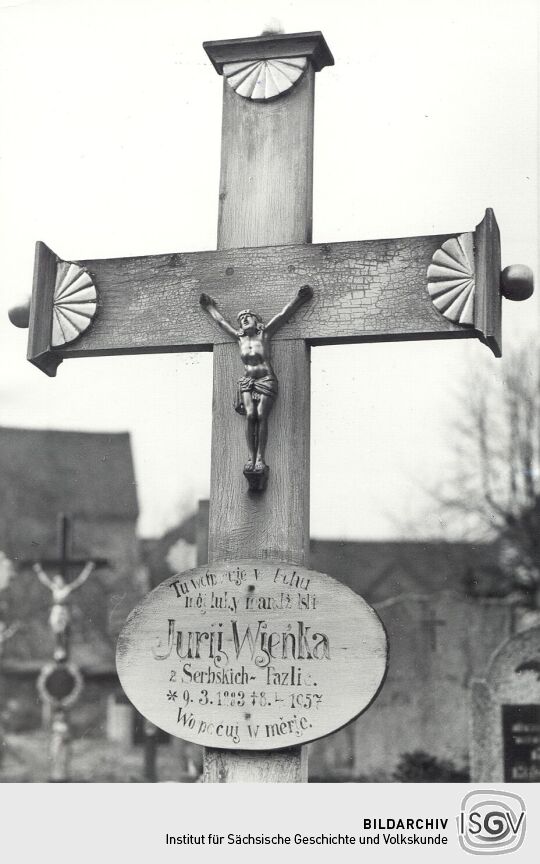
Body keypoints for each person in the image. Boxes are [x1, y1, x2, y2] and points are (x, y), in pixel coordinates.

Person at [200, 285, 313, 475]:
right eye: (241, 319)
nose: (243, 320)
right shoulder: (239, 339)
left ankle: (260, 457)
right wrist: (209, 307)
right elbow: (220, 322)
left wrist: (299, 299)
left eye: (247, 317)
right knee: (250, 416)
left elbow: (284, 314)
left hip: (266, 380)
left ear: (257, 321)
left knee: (261, 415)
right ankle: (251, 458)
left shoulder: (265, 334)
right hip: (247, 382)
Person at [33, 561, 95, 656]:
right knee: (56, 630)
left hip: (64, 612)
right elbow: (45, 580)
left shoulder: (67, 589)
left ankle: (64, 651)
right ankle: (58, 650)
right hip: (56, 611)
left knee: (64, 630)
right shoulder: (54, 588)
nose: (58, 582)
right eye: (57, 581)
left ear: (62, 581)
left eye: (59, 580)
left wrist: (88, 569)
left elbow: (80, 581)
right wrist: (39, 570)